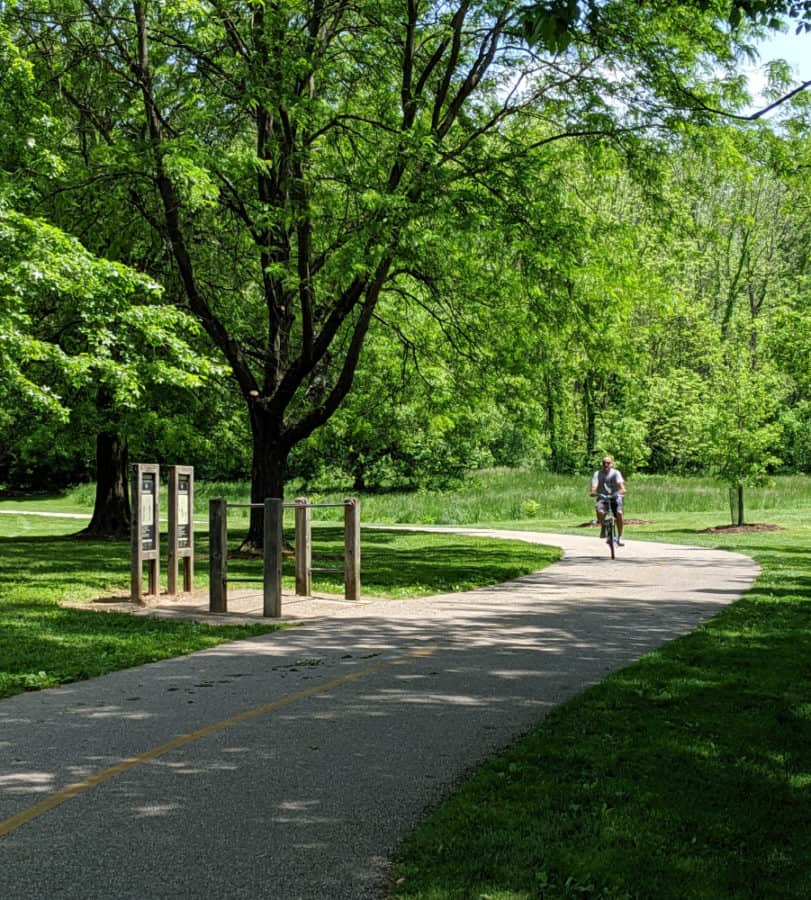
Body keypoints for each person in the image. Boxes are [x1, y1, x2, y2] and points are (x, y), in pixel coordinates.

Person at [590, 455, 626, 546]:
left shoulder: (616, 473)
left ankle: (620, 537)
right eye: (604, 463)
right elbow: (594, 486)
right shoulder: (597, 473)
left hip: (615, 497)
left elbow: (622, 487)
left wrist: (620, 492)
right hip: (603, 497)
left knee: (619, 513)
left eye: (608, 463)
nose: (606, 465)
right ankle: (603, 526)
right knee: (600, 511)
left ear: (611, 464)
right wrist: (593, 492)